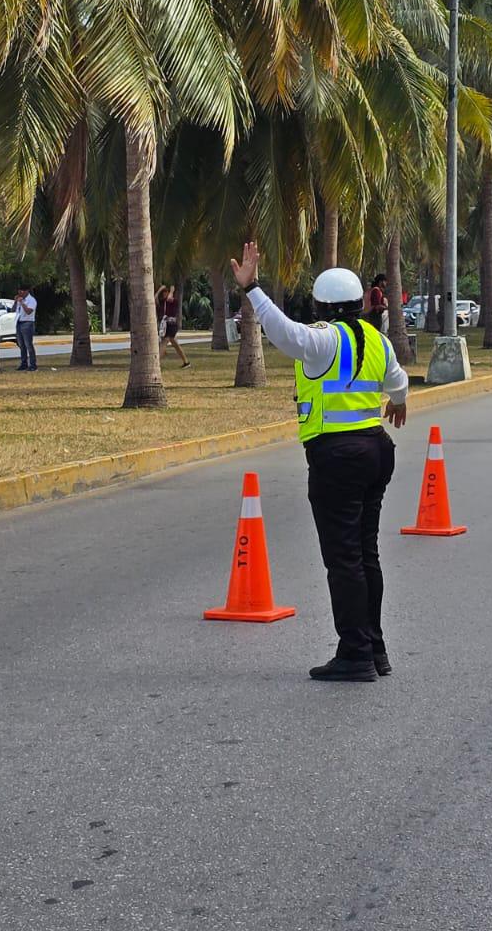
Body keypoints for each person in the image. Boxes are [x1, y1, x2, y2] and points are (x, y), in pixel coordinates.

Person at [230, 241, 409, 682]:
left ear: (321, 306)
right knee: (366, 553)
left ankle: (355, 655)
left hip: (337, 457)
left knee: (344, 559)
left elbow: (282, 330)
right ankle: (375, 649)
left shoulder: (324, 339)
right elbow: (399, 380)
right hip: (376, 450)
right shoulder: (377, 340)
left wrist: (252, 288)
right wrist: (399, 402)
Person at [156, 284, 190, 368]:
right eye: (163, 293)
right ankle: (186, 362)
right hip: (165, 325)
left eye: (166, 292)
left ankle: (156, 363)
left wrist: (171, 291)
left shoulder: (174, 301)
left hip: (171, 325)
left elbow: (169, 299)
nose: (164, 294)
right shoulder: (163, 302)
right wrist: (160, 290)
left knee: (164, 342)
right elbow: (154, 298)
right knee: (175, 344)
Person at [14, 286, 37, 371]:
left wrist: (22, 303)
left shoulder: (32, 300)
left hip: (27, 323)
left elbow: (28, 312)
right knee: (21, 345)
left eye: (22, 291)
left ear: (27, 291)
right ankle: (24, 364)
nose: (20, 293)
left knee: (28, 345)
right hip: (19, 323)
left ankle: (33, 365)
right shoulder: (20, 300)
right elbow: (13, 310)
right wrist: (15, 302)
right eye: (19, 291)